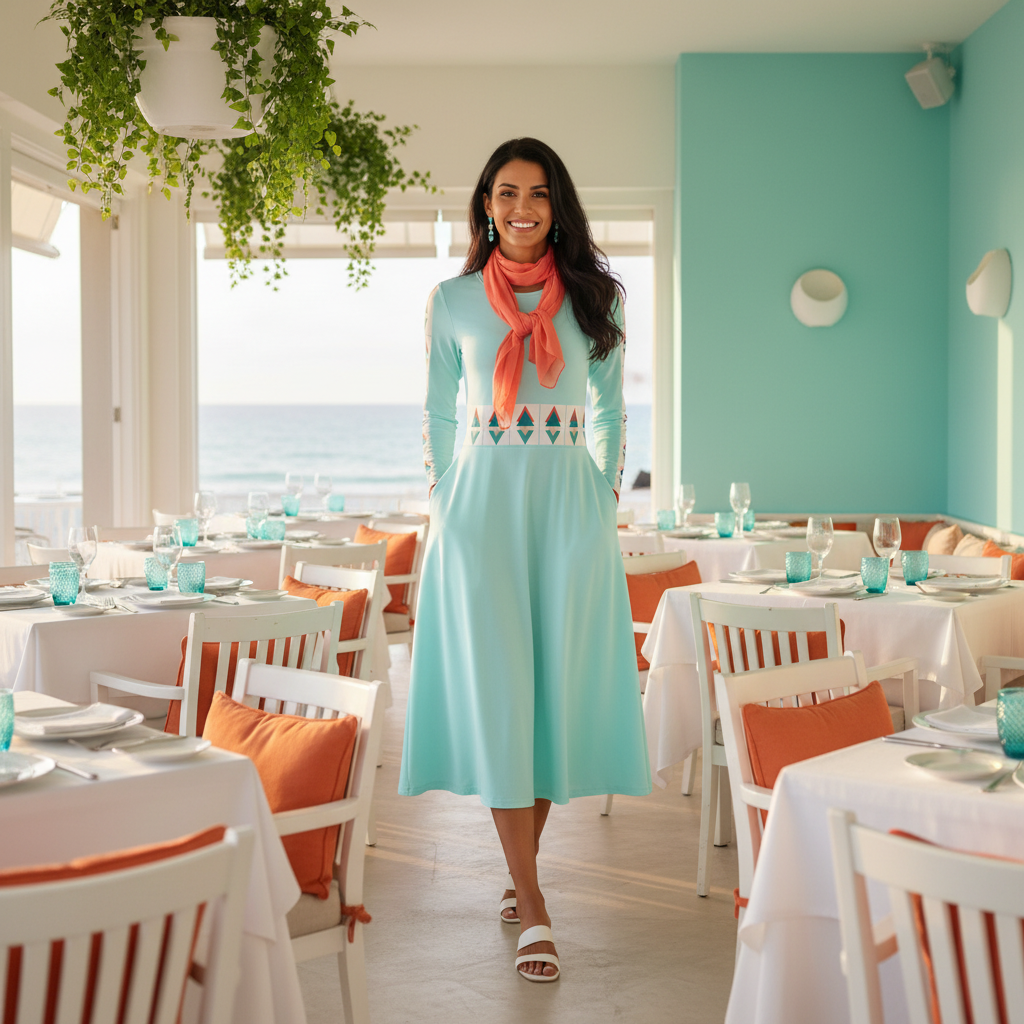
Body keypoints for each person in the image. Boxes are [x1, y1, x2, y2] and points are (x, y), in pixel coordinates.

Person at [398, 137, 652, 982]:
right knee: (505, 693)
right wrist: (445, 501)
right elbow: (439, 414)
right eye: (507, 193)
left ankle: (516, 874)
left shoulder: (593, 302)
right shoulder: (452, 301)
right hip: (480, 518)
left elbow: (613, 412)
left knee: (547, 698)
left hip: (569, 516)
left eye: (538, 195)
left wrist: (602, 497)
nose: (522, 208)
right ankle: (533, 902)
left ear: (557, 207)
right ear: (486, 206)